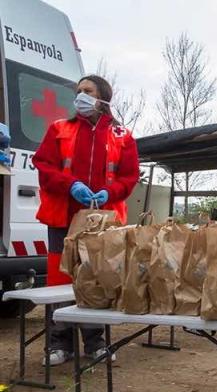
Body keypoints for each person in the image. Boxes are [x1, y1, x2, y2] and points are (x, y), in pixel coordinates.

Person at [32, 74, 139, 366]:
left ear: (103, 96)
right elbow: (43, 165)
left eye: (87, 90)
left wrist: (109, 192)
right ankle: (59, 344)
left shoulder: (122, 135)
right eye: (78, 91)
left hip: (101, 222)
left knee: (97, 279)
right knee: (59, 281)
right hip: (61, 218)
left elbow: (130, 177)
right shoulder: (59, 129)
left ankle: (95, 344)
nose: (80, 95)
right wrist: (70, 186)